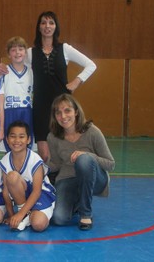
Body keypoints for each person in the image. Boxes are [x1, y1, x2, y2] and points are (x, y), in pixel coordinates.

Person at [0, 11, 96, 164]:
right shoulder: (30, 52)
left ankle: (64, 182)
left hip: (62, 106)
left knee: (65, 150)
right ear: (39, 27)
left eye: (51, 23)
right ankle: (44, 184)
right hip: (40, 107)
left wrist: (77, 81)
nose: (47, 26)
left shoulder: (65, 49)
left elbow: (91, 65)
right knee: (44, 155)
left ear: (56, 27)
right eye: (43, 23)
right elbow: (17, 63)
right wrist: (2, 67)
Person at [47, 94, 114, 230]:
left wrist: (88, 155)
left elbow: (110, 164)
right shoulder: (52, 137)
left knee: (83, 160)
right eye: (58, 112)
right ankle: (77, 203)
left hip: (96, 179)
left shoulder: (92, 132)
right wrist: (35, 166)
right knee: (58, 219)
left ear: (76, 111)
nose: (63, 116)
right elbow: (56, 164)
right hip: (68, 179)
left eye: (67, 110)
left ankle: (85, 214)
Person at [0, 121, 56, 232]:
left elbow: (36, 191)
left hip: (41, 194)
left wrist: (20, 214)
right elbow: (5, 192)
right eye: (13, 136)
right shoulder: (5, 160)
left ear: (28, 140)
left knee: (38, 225)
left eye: (21, 136)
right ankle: (26, 214)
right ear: (7, 139)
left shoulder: (35, 160)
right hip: (23, 197)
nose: (17, 140)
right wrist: (12, 215)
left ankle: (27, 215)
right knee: (12, 177)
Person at [0, 36, 33, 152]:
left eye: (20, 49)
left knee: (26, 144)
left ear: (25, 52)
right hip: (9, 111)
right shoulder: (3, 72)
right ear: (9, 54)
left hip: (27, 111)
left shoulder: (32, 72)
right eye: (13, 50)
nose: (17, 52)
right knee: (11, 143)